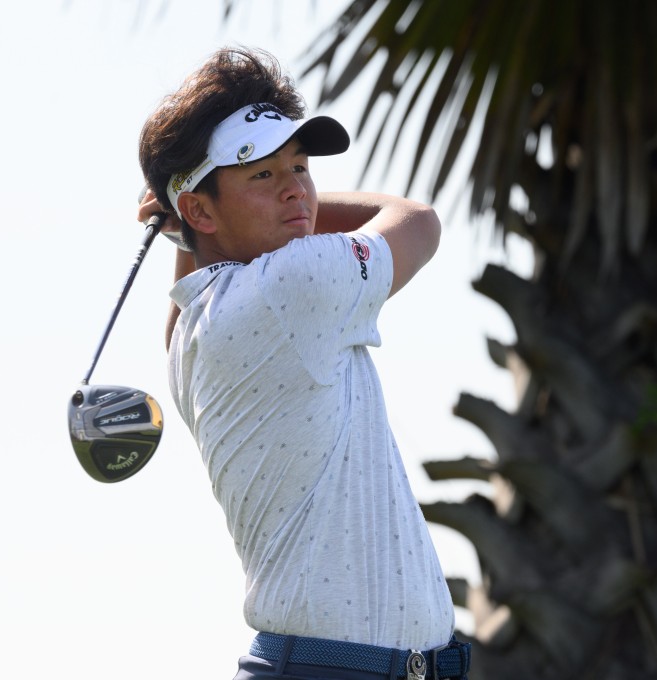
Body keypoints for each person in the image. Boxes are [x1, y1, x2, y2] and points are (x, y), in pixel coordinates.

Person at [136, 47, 470, 680]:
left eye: (300, 166)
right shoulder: (293, 283)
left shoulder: (188, 329)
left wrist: (186, 218)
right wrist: (181, 217)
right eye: (261, 175)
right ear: (200, 210)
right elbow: (417, 222)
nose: (297, 190)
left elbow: (197, 269)